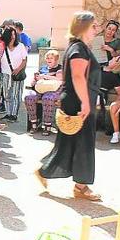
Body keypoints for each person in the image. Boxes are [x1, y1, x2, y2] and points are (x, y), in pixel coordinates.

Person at [37, 11, 102, 201]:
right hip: (78, 102)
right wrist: (85, 103)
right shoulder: (79, 49)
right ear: (83, 27)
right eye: (94, 26)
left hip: (76, 101)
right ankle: (80, 186)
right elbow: (77, 77)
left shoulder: (79, 48)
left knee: (71, 143)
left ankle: (56, 175)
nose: (96, 30)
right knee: (83, 143)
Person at [24, 50, 63, 135]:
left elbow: (60, 79)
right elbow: (34, 80)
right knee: (29, 97)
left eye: (51, 58)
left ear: (56, 59)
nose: (49, 59)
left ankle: (47, 126)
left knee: (47, 98)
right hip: (40, 89)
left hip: (54, 90)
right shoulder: (43, 68)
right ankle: (34, 123)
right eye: (47, 58)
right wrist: (34, 80)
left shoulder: (60, 68)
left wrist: (45, 76)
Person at [0, 26, 28, 122]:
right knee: (6, 94)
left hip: (17, 74)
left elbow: (24, 60)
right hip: (5, 73)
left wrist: (18, 69)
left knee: (16, 94)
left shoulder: (20, 46)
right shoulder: (2, 47)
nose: (13, 37)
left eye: (14, 35)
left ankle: (14, 114)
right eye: (11, 35)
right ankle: (8, 113)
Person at [99, 20, 120, 97]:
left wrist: (110, 50)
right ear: (105, 28)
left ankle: (102, 94)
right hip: (97, 65)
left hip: (110, 66)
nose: (110, 31)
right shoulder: (97, 39)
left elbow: (118, 58)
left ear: (115, 32)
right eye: (109, 28)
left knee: (111, 75)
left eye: (113, 30)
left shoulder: (117, 42)